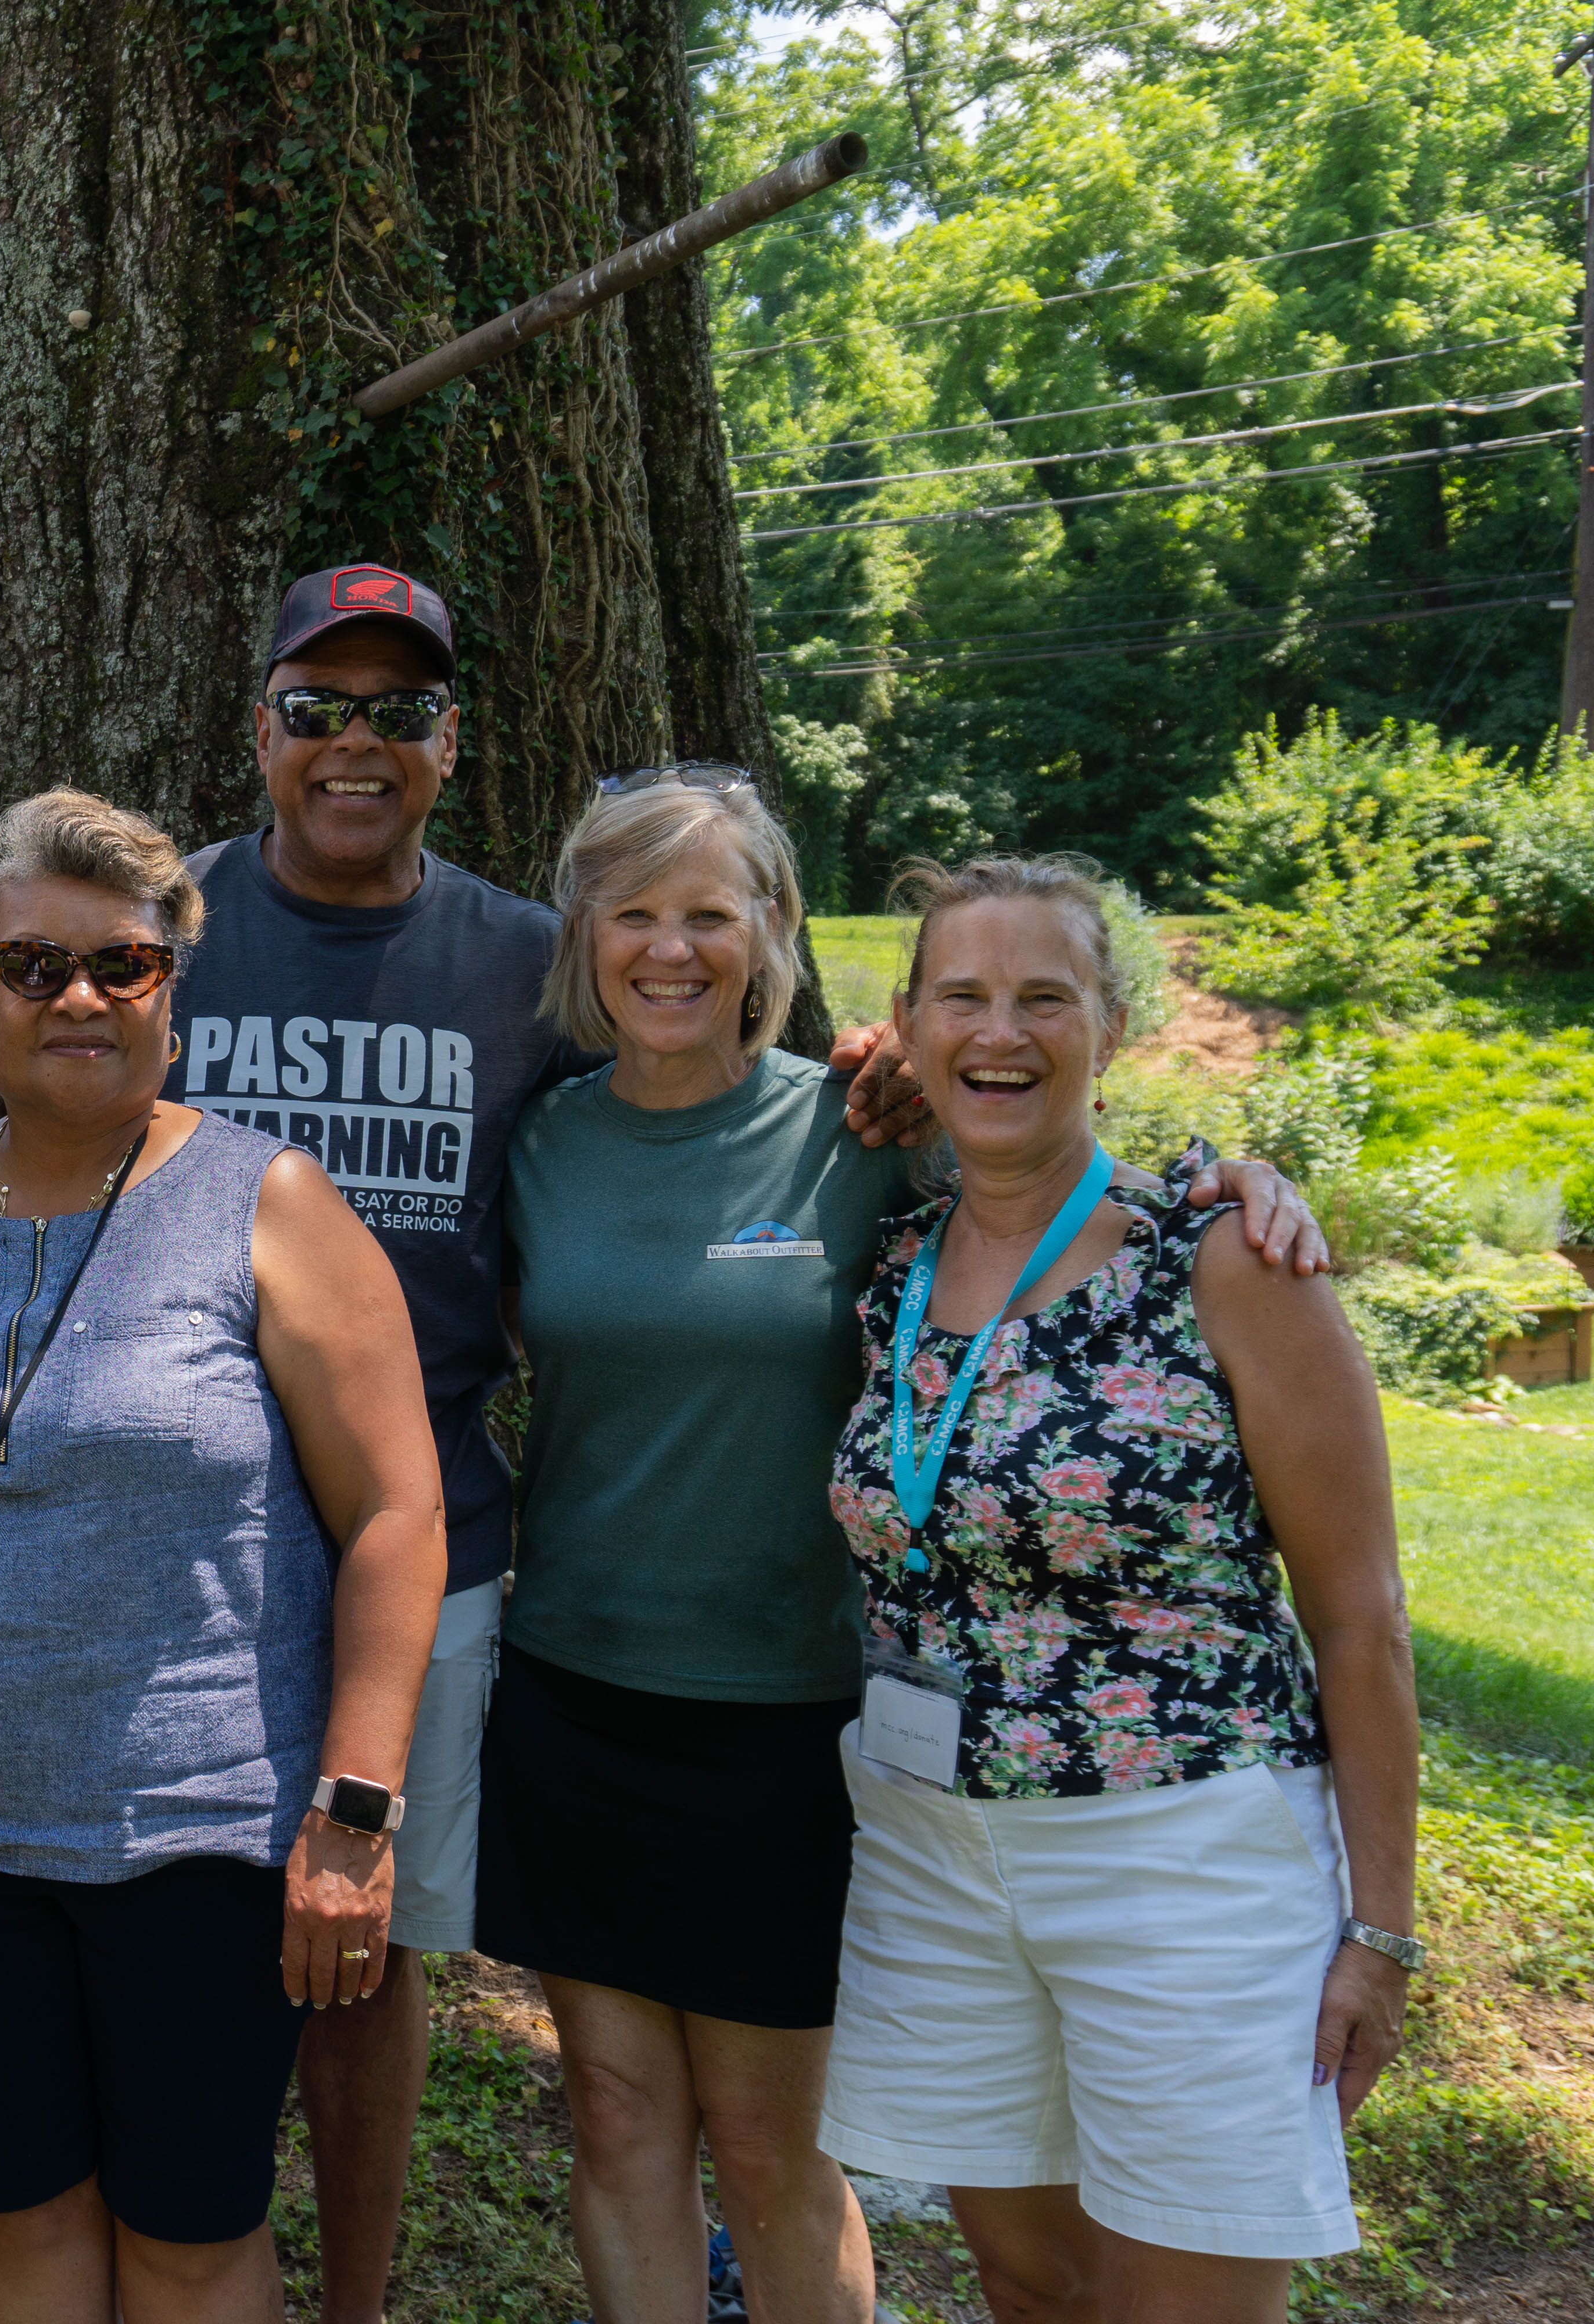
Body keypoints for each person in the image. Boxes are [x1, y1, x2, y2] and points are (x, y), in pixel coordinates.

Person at [0, 566, 913, 2315]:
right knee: (80, 2190)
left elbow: (720, 1054)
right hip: (6, 1753)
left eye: (395, 708)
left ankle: (358, 2295)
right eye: (316, 706)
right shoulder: (28, 1068)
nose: (76, 994)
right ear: (262, 731)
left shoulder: (512, 980)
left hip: (341, 1655)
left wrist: (908, 1072)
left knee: (305, 2076)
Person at [485, 783, 1328, 2324]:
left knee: (771, 2143)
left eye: (710, 914)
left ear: (770, 940)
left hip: (792, 1716)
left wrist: (1233, 1185)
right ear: (585, 940)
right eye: (634, 914)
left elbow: (1060, 1189)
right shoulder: (537, 1143)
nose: (671, 949)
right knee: (613, 2122)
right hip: (573, 1698)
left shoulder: (867, 1132)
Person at [0, 788, 448, 2323]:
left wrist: (353, 1812)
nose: (78, 996)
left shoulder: (267, 1206)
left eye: (122, 966)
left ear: (169, 989)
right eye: (33, 966)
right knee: (16, 2219)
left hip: (202, 1842)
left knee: (191, 2241)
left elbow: (399, 1515)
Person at [823, 856, 1416, 2319]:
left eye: (1045, 997)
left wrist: (1382, 1930)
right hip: (934, 1852)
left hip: (1184, 1853)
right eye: (961, 996)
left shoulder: (1222, 1255)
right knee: (1028, 2283)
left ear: (1113, 1024)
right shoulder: (892, 1259)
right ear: (906, 1021)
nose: (999, 1033)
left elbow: (1362, 1617)